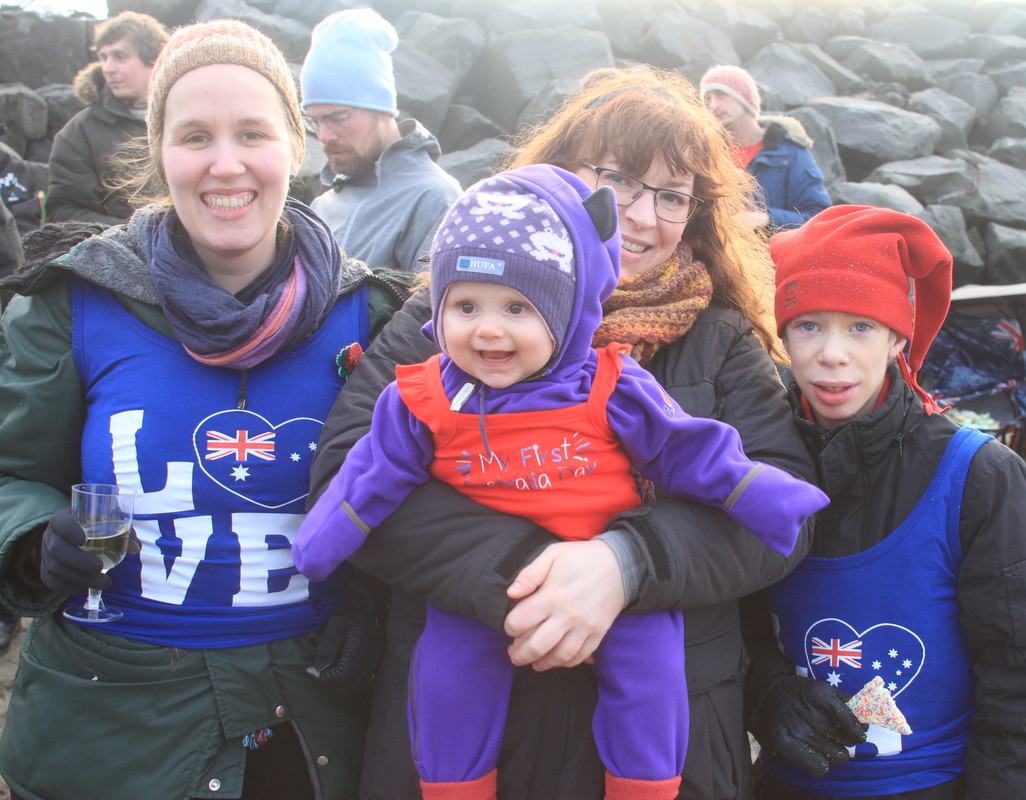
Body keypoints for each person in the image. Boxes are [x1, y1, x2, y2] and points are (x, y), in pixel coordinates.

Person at [307, 67, 813, 800]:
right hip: (462, 731)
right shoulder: (453, 318)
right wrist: (531, 572)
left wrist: (626, 564)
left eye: (673, 196)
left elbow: (781, 520)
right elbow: (346, 479)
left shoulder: (721, 340)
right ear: (556, 172)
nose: (640, 216)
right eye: (617, 180)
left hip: (667, 739)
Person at [0, 19, 408, 800]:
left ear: (297, 145)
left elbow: (426, 492)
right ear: (159, 154)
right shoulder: (74, 304)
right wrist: (27, 541)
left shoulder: (377, 316)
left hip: (317, 719)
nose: (226, 164)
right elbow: (10, 473)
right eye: (194, 136)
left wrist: (376, 596)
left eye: (252, 132)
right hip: (114, 724)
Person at [743, 205, 1026, 799]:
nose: (832, 355)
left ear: (900, 335)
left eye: (861, 327)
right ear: (782, 334)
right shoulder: (749, 463)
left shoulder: (981, 476)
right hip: (785, 782)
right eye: (808, 325)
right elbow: (727, 625)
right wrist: (768, 691)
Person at [300, 8, 461, 274]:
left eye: (339, 117)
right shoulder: (322, 205)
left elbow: (435, 310)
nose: (325, 136)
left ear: (383, 109)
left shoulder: (435, 198)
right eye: (314, 121)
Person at [45, 11, 169, 226]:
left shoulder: (193, 118)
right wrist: (141, 234)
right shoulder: (79, 131)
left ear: (154, 60)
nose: (108, 69)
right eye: (104, 57)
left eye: (119, 57)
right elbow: (63, 211)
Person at [699, 65, 830, 232]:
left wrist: (768, 219)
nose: (713, 105)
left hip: (773, 255)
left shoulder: (790, 152)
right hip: (717, 254)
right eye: (707, 99)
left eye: (721, 95)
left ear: (745, 99)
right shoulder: (705, 154)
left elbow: (819, 218)